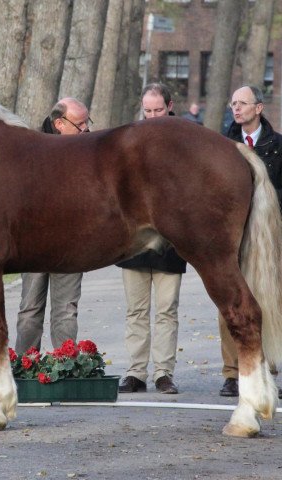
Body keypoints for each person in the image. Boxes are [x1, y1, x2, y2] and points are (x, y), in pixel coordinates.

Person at [117, 83, 187, 395]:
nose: (153, 115)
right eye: (148, 110)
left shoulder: (182, 142)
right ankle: (136, 371)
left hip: (169, 239)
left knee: (167, 310)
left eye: (158, 109)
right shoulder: (130, 140)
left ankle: (163, 373)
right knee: (135, 310)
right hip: (133, 238)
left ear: (170, 106)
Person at [14, 98, 92, 354]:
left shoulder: (87, 150)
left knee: (66, 311)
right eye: (80, 124)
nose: (86, 129)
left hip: (70, 243)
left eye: (87, 122)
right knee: (29, 309)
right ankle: (25, 367)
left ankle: (65, 366)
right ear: (59, 123)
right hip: (35, 242)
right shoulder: (31, 148)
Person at [220, 85, 282, 399]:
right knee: (229, 300)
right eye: (233, 104)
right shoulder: (221, 147)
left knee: (269, 297)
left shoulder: (278, 146)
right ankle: (232, 373)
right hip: (234, 234)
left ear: (258, 108)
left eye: (243, 103)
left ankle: (269, 368)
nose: (236, 108)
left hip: (270, 235)